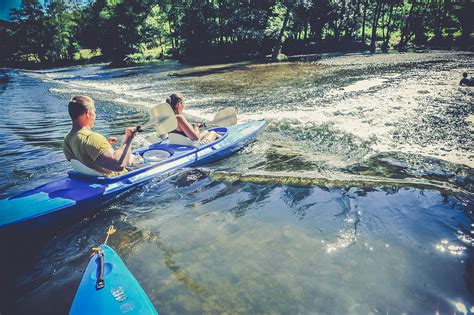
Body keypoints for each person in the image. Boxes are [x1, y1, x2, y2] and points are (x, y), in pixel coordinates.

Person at [63, 95, 137, 176]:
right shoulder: (91, 138)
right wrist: (128, 139)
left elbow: (85, 159)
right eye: (94, 111)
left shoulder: (67, 139)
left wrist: (104, 146)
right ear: (87, 113)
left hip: (90, 179)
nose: (95, 115)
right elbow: (118, 166)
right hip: (118, 179)